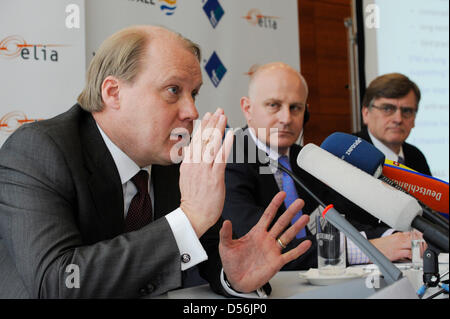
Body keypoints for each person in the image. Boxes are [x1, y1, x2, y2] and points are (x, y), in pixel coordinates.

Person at [0, 26, 312, 298]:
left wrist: (232, 275)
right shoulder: (38, 150)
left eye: (194, 94)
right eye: (173, 91)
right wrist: (188, 220)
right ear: (113, 92)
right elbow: (59, 283)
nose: (191, 112)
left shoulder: (175, 158)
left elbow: (209, 248)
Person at [222, 62, 413, 270]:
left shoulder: (305, 158)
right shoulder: (229, 160)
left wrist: (395, 237)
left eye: (295, 108)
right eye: (274, 105)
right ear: (247, 109)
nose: (286, 118)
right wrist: (370, 248)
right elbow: (264, 249)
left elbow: (338, 220)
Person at [355, 73, 431, 175]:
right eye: (387, 109)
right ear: (366, 113)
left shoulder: (416, 157)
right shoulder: (349, 154)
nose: (398, 119)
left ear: (414, 119)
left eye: (407, 111)